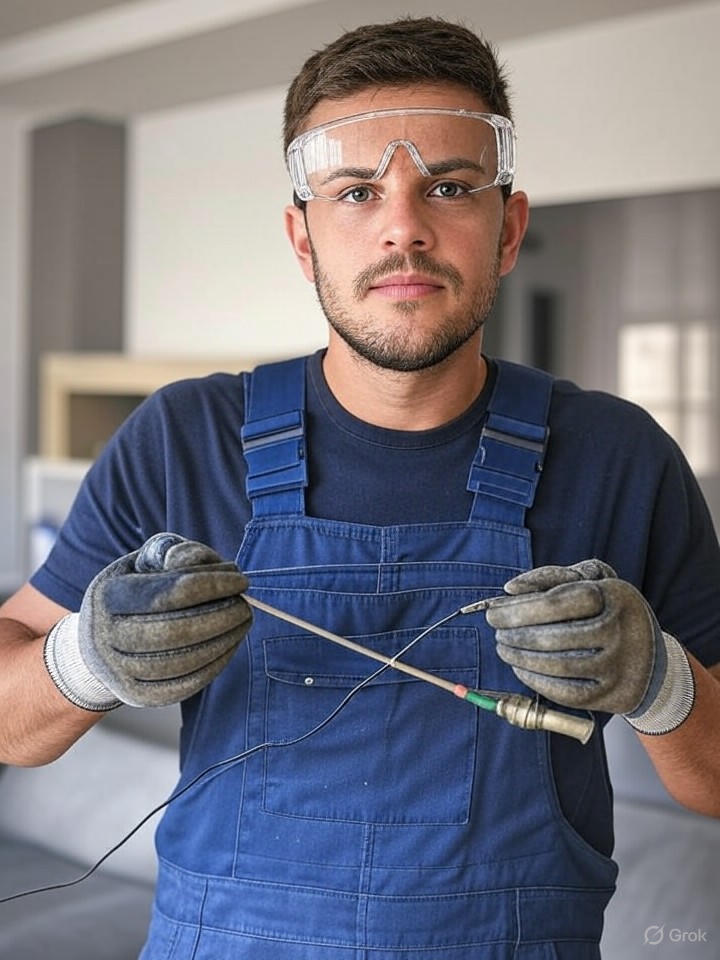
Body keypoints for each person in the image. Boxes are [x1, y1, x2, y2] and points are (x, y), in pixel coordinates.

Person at [1, 15, 720, 959]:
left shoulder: (617, 456)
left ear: (508, 230)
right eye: (356, 191)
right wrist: (85, 660)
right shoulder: (182, 439)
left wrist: (658, 682)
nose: (404, 228)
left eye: (451, 187)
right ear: (303, 237)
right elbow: (14, 729)